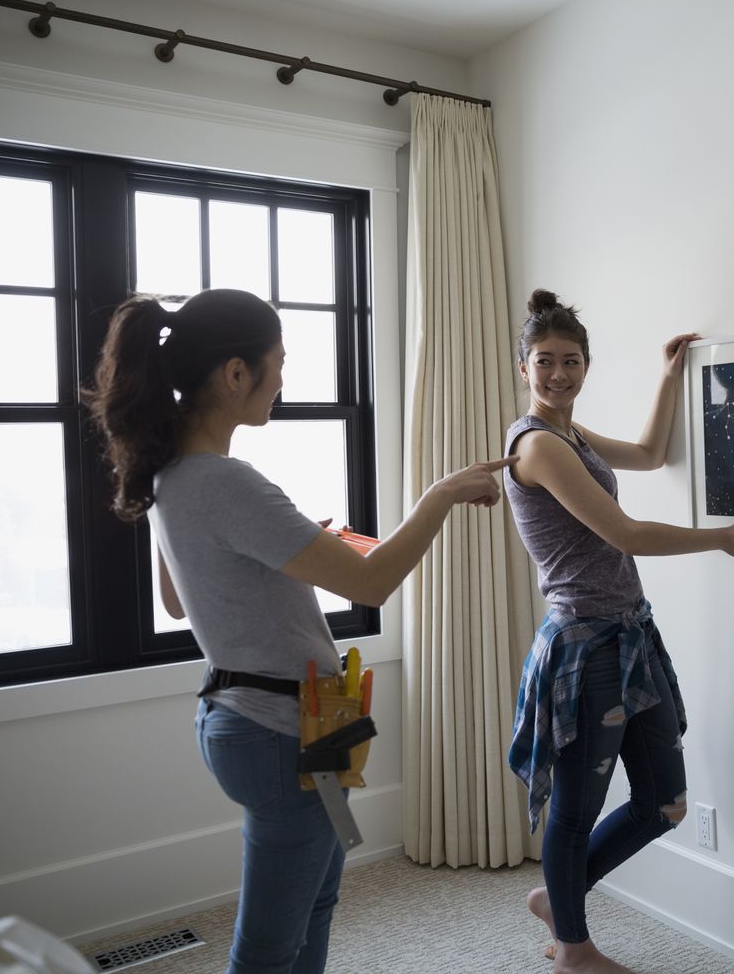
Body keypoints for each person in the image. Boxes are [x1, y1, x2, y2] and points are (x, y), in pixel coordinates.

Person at [84, 288, 511, 974]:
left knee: (316, 905)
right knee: (266, 948)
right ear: (234, 373)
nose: (283, 380)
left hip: (278, 715)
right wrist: (440, 497)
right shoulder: (227, 481)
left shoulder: (170, 476)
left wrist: (289, 552)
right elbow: (371, 585)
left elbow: (176, 598)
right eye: (278, 362)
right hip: (280, 731)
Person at [505, 289, 734, 974]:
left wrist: (669, 374)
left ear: (586, 366)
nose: (558, 374)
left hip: (629, 638)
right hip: (585, 650)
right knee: (576, 808)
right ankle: (574, 948)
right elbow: (623, 533)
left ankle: (558, 903)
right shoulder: (537, 446)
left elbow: (653, 455)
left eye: (570, 361)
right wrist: (721, 539)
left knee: (665, 804)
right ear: (522, 366)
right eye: (545, 361)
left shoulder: (574, 435)